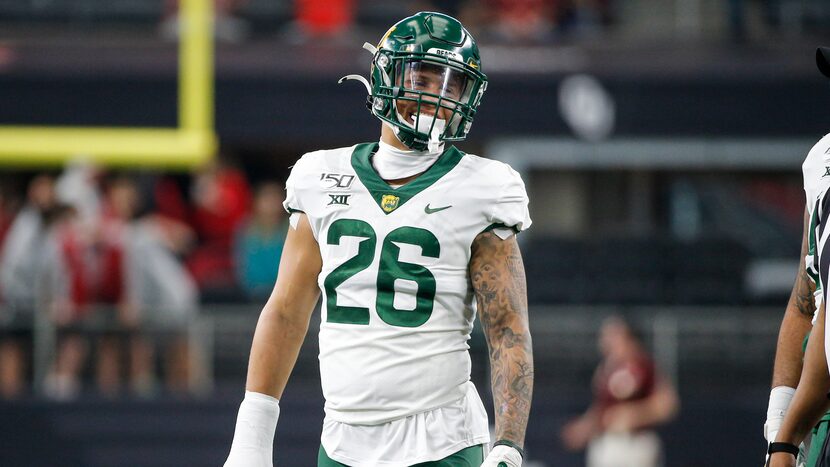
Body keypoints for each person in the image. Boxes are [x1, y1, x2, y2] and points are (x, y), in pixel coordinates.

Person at [224, 11, 533, 467]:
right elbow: (287, 309)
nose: (437, 97)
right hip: (343, 440)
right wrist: (251, 436)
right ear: (385, 74)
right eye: (424, 78)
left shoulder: (484, 187)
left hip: (442, 439)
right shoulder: (320, 175)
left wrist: (507, 443)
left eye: (452, 86)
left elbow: (507, 327)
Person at [768, 47, 830, 467]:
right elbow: (807, 298)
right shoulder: (821, 157)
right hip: (819, 407)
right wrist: (778, 424)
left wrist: (786, 439)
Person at [560, 316, 678, 467]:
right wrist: (583, 428)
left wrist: (634, 415)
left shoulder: (644, 365)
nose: (606, 341)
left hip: (635, 442)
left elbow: (667, 404)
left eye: (613, 335)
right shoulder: (605, 369)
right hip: (607, 442)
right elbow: (601, 408)